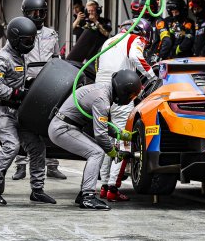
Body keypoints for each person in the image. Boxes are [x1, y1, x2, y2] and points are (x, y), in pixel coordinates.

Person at [0, 17, 55, 206]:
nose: (30, 44)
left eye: (32, 40)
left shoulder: (19, 55)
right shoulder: (2, 59)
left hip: (16, 110)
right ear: (15, 39)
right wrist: (17, 93)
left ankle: (37, 190)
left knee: (37, 146)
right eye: (27, 41)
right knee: (12, 146)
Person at [48, 70, 142, 210]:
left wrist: (126, 136)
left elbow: (103, 126)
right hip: (63, 128)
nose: (131, 99)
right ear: (123, 91)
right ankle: (88, 197)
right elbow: (100, 135)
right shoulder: (101, 100)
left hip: (67, 127)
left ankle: (83, 194)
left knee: (96, 152)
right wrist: (114, 153)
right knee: (96, 153)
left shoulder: (104, 92)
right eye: (131, 95)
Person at [96, 18, 157, 201]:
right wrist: (152, 77)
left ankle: (104, 185)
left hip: (100, 93)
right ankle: (113, 188)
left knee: (107, 141)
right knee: (123, 142)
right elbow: (136, 57)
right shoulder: (134, 39)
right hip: (119, 93)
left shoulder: (109, 40)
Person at [11, 0, 66, 181]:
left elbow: (57, 58)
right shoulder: (19, 30)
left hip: (49, 84)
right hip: (27, 82)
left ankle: (52, 164)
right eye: (34, 12)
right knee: (23, 124)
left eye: (41, 12)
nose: (38, 15)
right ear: (26, 14)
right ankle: (20, 164)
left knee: (51, 123)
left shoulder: (51, 34)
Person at [138, 0, 171, 65]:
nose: (145, 12)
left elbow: (167, 41)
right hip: (140, 59)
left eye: (148, 9)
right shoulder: (139, 22)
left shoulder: (159, 22)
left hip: (154, 60)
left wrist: (160, 56)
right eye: (143, 9)